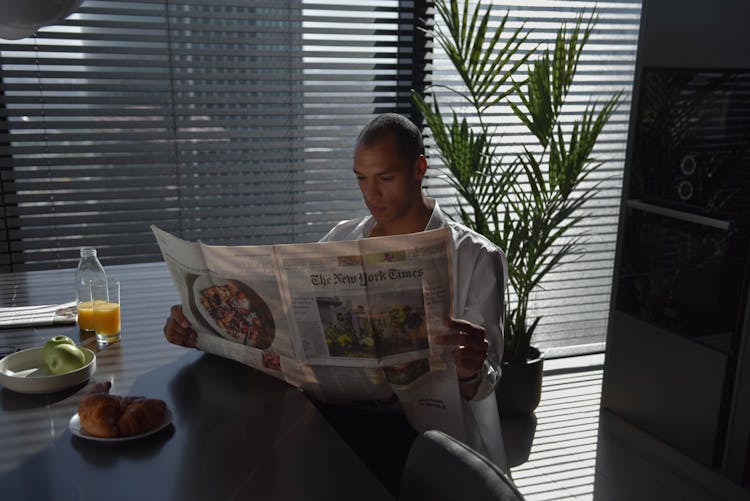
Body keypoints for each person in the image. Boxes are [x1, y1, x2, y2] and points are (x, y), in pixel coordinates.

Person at [163, 113, 508, 493]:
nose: (370, 194)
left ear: (418, 169)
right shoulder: (341, 238)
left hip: (423, 439)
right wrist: (200, 328)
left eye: (385, 178)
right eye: (361, 178)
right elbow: (285, 329)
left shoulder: (478, 257)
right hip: (333, 424)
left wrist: (469, 369)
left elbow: (484, 383)